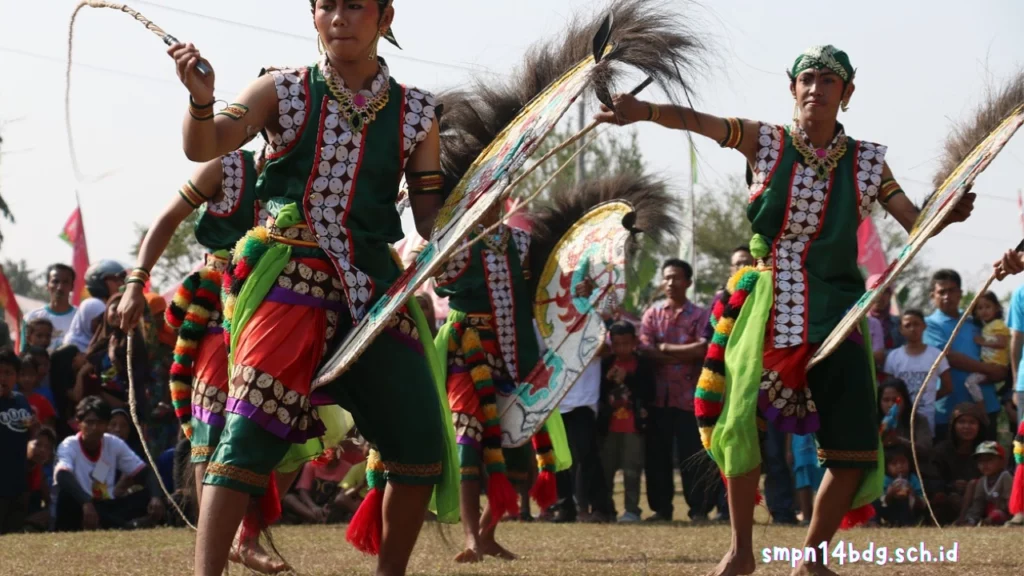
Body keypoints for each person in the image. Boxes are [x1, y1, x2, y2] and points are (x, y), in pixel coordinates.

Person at [596, 45, 977, 575]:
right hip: (768, 303)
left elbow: (915, 224)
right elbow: (703, 123)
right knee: (741, 424)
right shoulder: (767, 140)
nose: (815, 88)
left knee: (852, 445)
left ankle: (812, 559)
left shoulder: (869, 161)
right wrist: (646, 112)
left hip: (841, 313)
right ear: (792, 88)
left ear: (847, 94)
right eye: (807, 78)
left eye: (828, 80)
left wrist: (947, 216)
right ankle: (741, 552)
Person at [165, 2, 455, 574]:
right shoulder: (281, 89)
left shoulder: (417, 112)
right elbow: (204, 147)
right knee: (248, 434)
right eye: (328, 6)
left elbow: (429, 216)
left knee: (420, 441)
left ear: (385, 16)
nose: (340, 17)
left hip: (374, 290)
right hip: (288, 273)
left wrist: (469, 218)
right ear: (314, 16)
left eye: (356, 5)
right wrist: (201, 99)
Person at [433, 211, 556, 560]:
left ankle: (487, 533)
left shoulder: (521, 242)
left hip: (514, 354)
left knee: (519, 452)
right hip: (465, 352)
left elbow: (540, 292)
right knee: (468, 442)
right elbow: (439, 280)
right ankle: (472, 538)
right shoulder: (457, 239)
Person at [638, 259, 713, 524]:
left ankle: (700, 510)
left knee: (693, 456)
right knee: (657, 456)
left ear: (689, 282)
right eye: (667, 278)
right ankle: (661, 509)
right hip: (658, 398)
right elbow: (645, 349)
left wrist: (665, 350)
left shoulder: (701, 315)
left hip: (691, 399)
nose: (670, 283)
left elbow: (703, 349)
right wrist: (683, 353)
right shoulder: (652, 314)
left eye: (677, 278)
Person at [54, 396, 165, 531]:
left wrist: (156, 497)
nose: (94, 428)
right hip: (80, 504)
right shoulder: (69, 445)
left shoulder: (113, 443)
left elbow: (144, 473)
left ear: (106, 425)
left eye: (100, 423)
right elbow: (62, 475)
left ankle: (119, 524)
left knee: (151, 494)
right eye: (89, 422)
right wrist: (86, 502)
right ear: (79, 424)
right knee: (66, 497)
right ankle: (124, 526)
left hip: (105, 504)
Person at [926, 270, 1006, 443]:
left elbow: (999, 348)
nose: (947, 296)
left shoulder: (975, 320)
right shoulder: (929, 324)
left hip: (986, 406)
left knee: (988, 463)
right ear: (933, 295)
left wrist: (1002, 370)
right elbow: (949, 357)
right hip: (949, 409)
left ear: (960, 293)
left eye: (952, 290)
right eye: (942, 292)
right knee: (949, 465)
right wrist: (988, 369)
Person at [599, 320, 655, 523]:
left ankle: (632, 510)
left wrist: (628, 379)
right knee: (606, 469)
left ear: (635, 342)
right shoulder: (604, 364)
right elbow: (598, 394)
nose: (621, 348)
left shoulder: (643, 364)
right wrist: (607, 380)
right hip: (609, 426)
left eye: (626, 343)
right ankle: (607, 509)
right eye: (617, 344)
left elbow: (649, 393)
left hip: (633, 426)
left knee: (632, 469)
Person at [880, 309, 952, 435]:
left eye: (916, 324)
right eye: (908, 325)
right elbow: (887, 387)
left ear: (924, 326)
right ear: (901, 330)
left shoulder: (936, 355)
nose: (913, 329)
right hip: (899, 420)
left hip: (926, 418)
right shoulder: (893, 357)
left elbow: (948, 386)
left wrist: (929, 398)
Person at [931, 402, 987, 525]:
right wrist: (951, 486)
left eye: (972, 422)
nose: (967, 427)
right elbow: (932, 479)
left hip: (979, 501)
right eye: (962, 422)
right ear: (953, 425)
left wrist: (973, 486)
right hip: (948, 500)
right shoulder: (941, 450)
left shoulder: (986, 451)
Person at [0, 348, 36, 534]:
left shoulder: (21, 401)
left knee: (13, 538)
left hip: (19, 483)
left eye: (8, 373)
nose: (3, 378)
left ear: (16, 377)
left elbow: (31, 432)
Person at [965, 291, 1009, 407]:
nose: (984, 311)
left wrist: (983, 342)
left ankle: (981, 407)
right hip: (990, 365)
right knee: (971, 382)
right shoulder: (986, 326)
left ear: (997, 308)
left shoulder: (998, 324)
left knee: (970, 382)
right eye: (980, 308)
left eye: (988, 307)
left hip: (997, 365)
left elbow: (1002, 343)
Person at [21, 264, 78, 352]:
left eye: (65, 282)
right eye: (55, 281)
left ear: (72, 287)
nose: (60, 287)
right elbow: (23, 354)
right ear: (47, 285)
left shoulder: (80, 317)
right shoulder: (31, 317)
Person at [961, 440, 1012, 526]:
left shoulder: (1005, 477)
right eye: (981, 461)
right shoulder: (982, 480)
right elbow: (978, 502)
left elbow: (1009, 502)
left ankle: (986, 522)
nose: (984, 464)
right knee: (972, 516)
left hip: (1004, 513)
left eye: (989, 460)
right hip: (988, 513)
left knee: (997, 514)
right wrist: (972, 517)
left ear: (1002, 462)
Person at [873, 444, 924, 527]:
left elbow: (922, 503)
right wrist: (890, 494)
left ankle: (907, 524)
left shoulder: (912, 478)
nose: (900, 466)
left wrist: (912, 493)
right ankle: (877, 522)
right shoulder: (884, 480)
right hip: (888, 510)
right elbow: (881, 503)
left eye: (903, 462)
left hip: (909, 510)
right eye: (894, 464)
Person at [24, 427, 56, 531]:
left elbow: (49, 500)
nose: (43, 450)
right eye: (38, 444)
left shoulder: (39, 471)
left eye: (48, 447)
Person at [787, 432, 821, 526]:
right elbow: (790, 426)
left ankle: (821, 517)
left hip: (820, 441)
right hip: (800, 443)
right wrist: (788, 450)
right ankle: (807, 517)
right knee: (803, 478)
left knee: (822, 479)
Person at [18, 351, 56, 430]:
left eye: (31, 374)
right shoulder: (7, 398)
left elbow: (49, 429)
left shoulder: (42, 401)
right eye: (22, 374)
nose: (27, 378)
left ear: (36, 376)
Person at [868, 284, 904, 352]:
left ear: (889, 296)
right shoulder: (860, 324)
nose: (879, 296)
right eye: (875, 292)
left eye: (884, 292)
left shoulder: (899, 323)